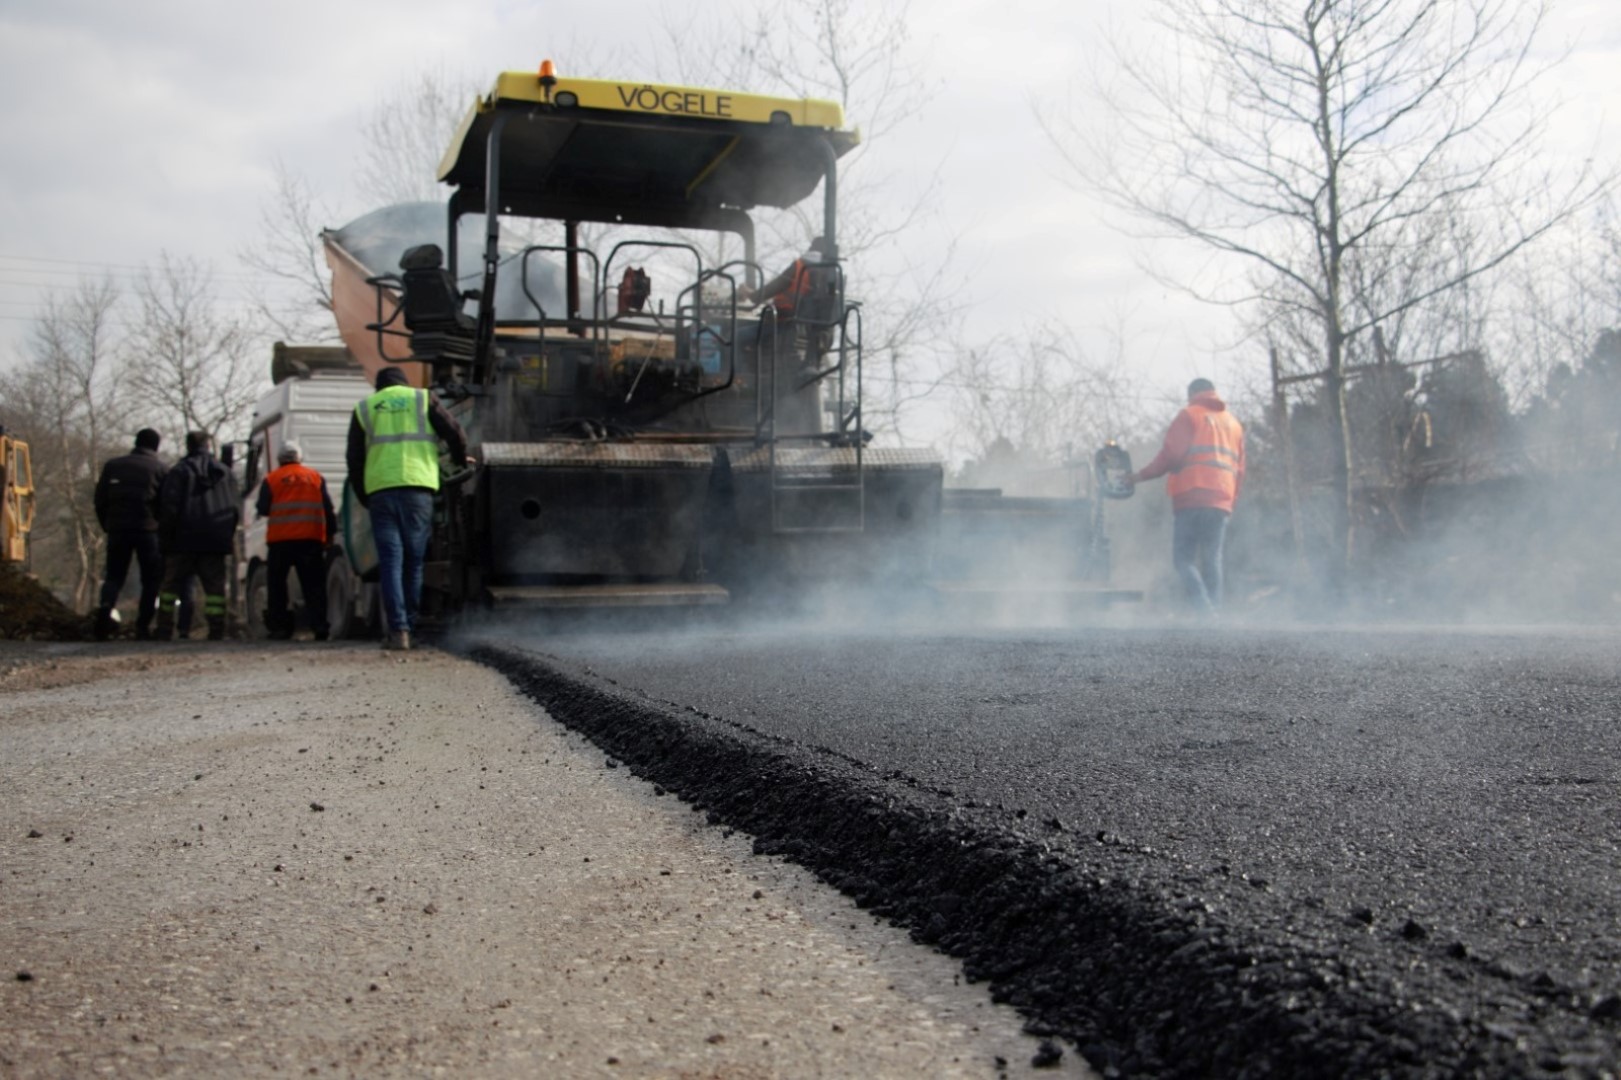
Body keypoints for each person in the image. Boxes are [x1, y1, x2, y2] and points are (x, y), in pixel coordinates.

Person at [346, 366, 468, 651]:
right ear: (403, 382)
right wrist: (462, 461)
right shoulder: (422, 399)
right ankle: (410, 626)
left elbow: (354, 459)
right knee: (414, 563)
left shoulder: (365, 408)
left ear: (379, 387)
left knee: (390, 562)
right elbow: (455, 433)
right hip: (418, 489)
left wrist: (365, 495)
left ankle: (397, 630)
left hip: (381, 492)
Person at [1128, 378, 1246, 616]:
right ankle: (1215, 614)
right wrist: (1231, 502)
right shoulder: (1234, 424)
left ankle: (1204, 610)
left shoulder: (1189, 415)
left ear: (1192, 393)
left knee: (1183, 559)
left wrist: (1139, 476)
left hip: (1191, 495)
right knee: (1213, 559)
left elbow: (1170, 456)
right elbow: (1240, 470)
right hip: (1221, 499)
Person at [155, 431, 241, 641]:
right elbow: (234, 510)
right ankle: (217, 630)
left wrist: (165, 539)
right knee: (215, 591)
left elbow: (169, 508)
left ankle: (164, 629)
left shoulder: (179, 472)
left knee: (169, 589)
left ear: (188, 445)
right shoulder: (225, 473)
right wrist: (226, 536)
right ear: (209, 445)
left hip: (181, 541)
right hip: (214, 541)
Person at [256, 440, 337, 642]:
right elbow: (328, 509)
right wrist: (330, 535)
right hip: (310, 540)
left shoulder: (271, 479)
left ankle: (280, 628)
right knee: (314, 586)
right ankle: (319, 627)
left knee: (277, 586)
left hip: (280, 541)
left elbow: (263, 508)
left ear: (280, 459)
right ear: (300, 458)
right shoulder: (315, 478)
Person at [92, 428, 168, 641]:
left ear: (136, 442)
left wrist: (108, 525)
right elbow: (167, 504)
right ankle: (142, 626)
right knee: (150, 580)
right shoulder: (160, 469)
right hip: (148, 531)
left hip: (118, 530)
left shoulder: (113, 466)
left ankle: (104, 615)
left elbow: (99, 500)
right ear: (156, 446)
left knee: (114, 576)